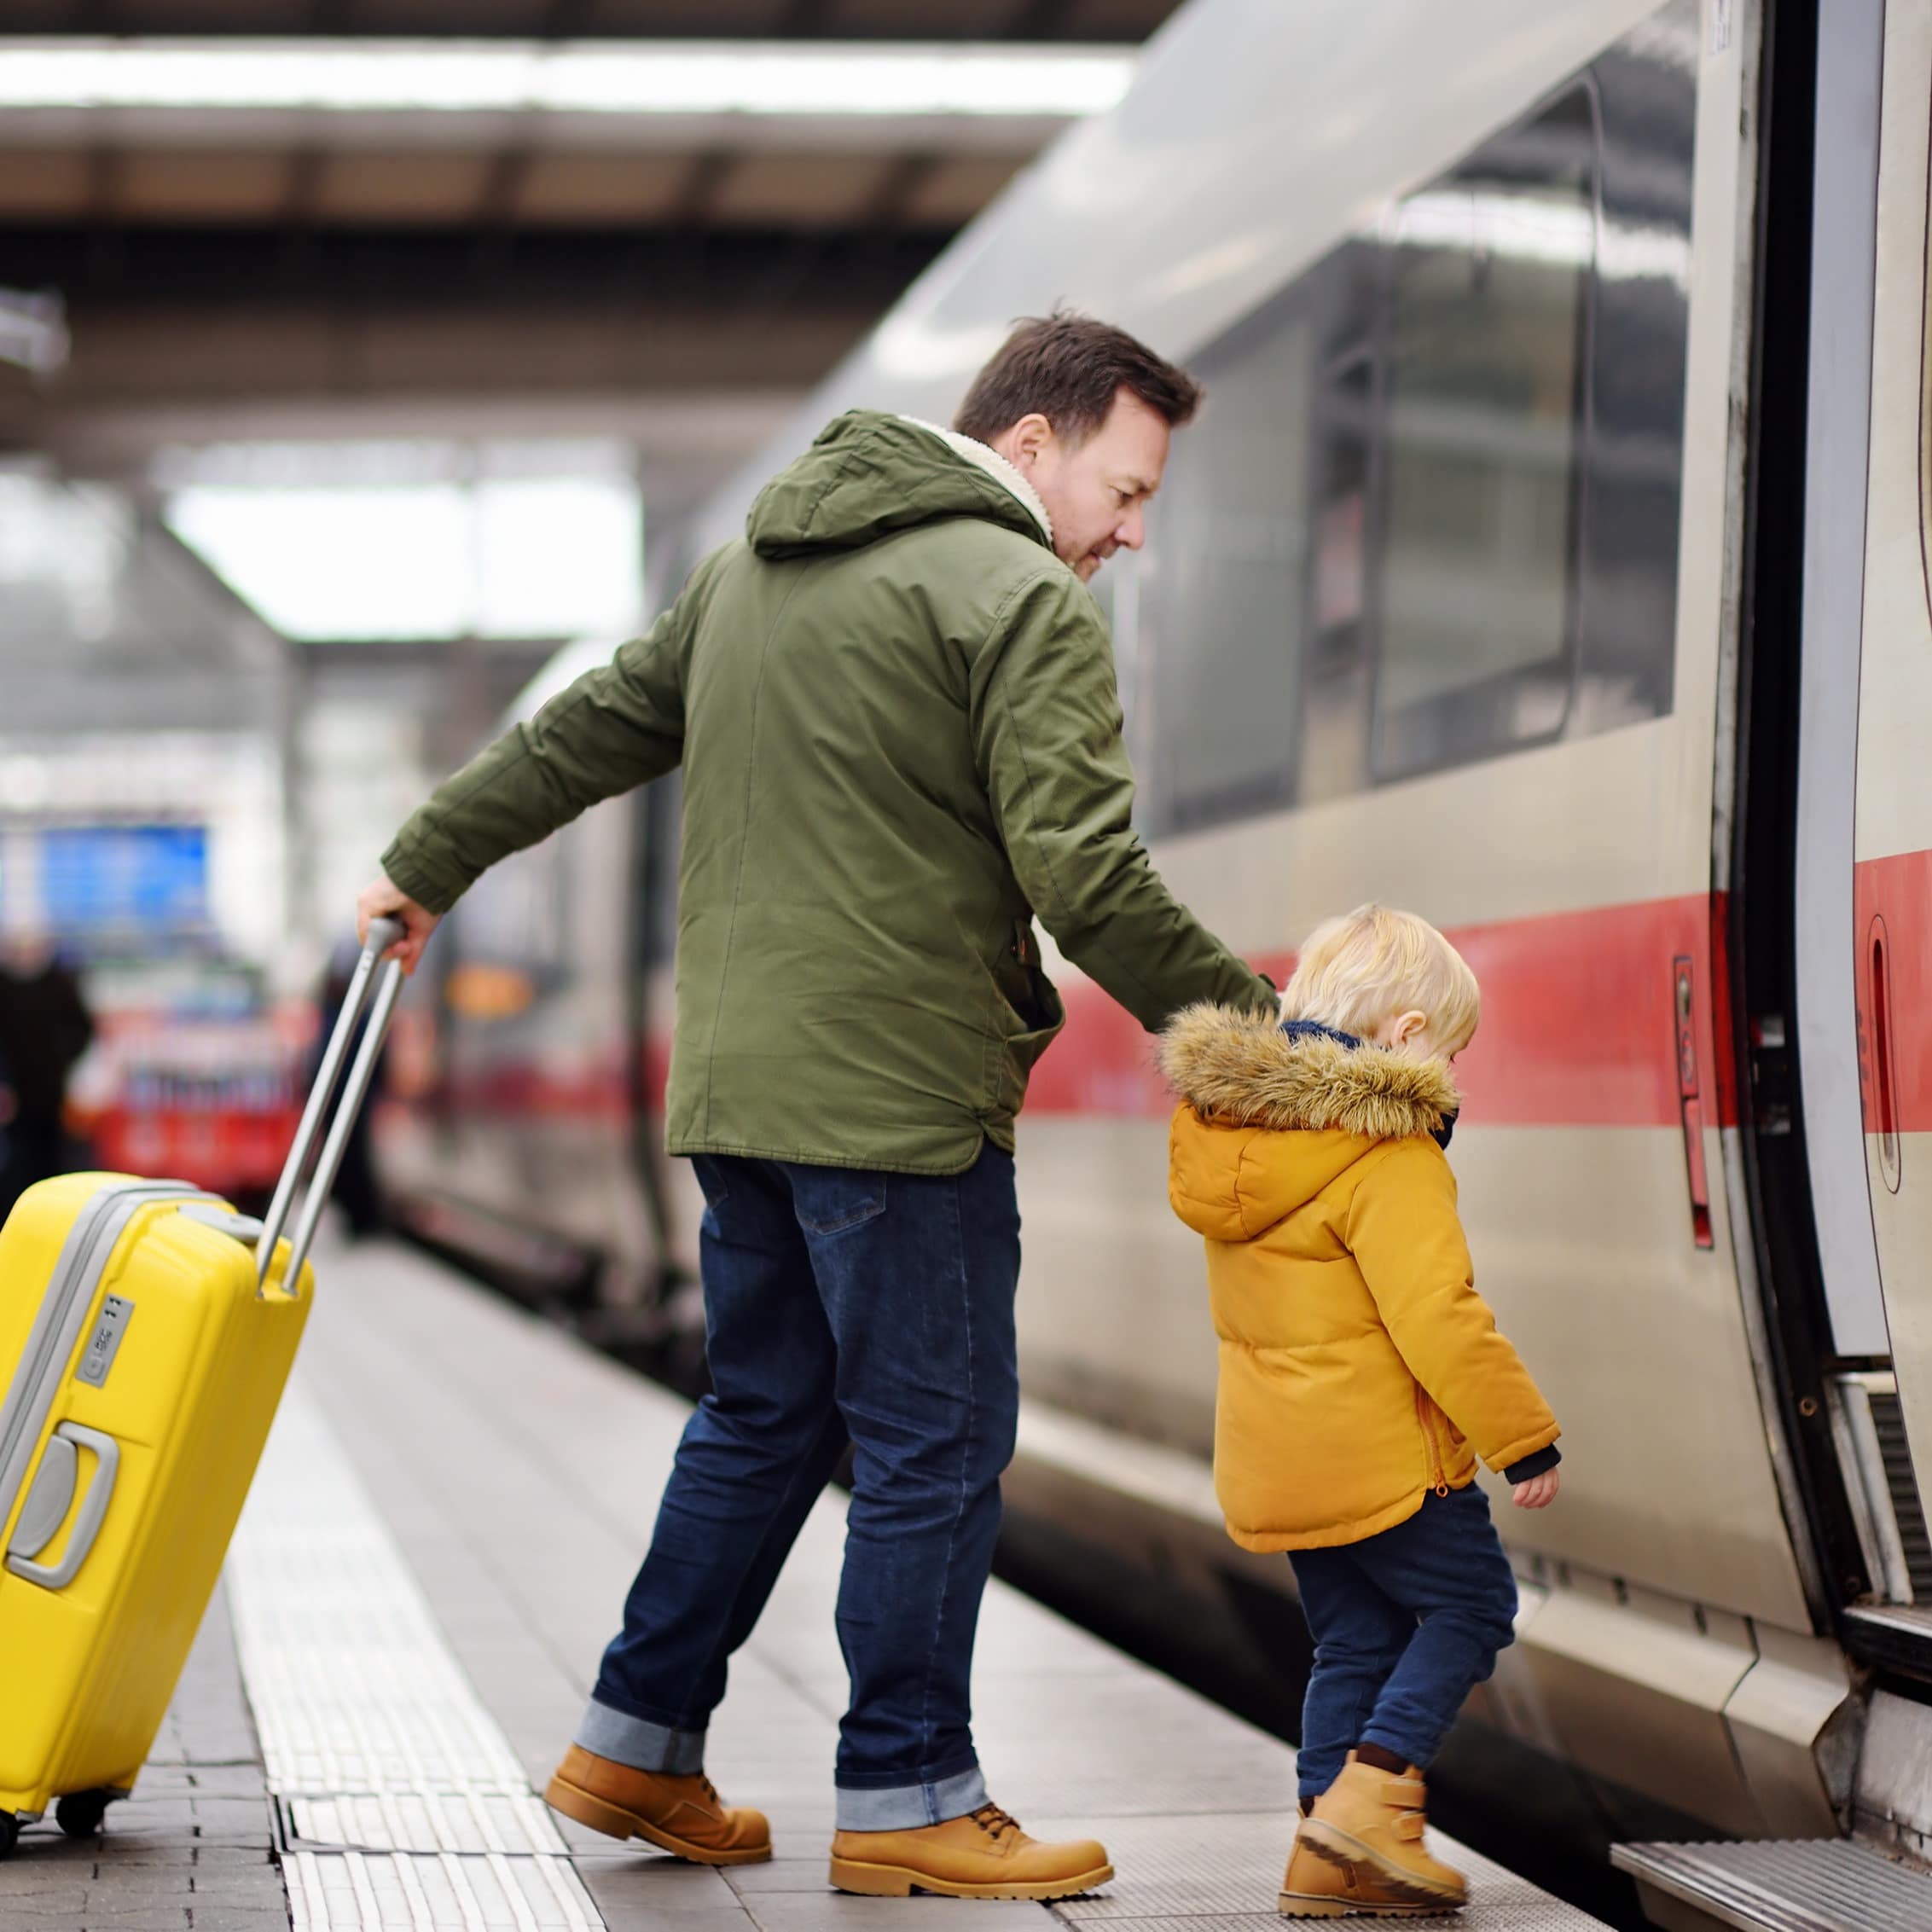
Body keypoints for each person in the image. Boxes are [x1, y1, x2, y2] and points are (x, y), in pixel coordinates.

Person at [355, 313, 1279, 1900]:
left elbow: (586, 730)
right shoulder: (1017, 602)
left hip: (735, 1094)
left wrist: (424, 863)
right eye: (1126, 490)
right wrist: (1270, 1043)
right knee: (934, 1442)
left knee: (763, 1413)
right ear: (1034, 444)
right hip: (899, 1102)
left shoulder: (747, 575)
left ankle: (636, 1746)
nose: (1132, 532)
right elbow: (1086, 876)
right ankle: (910, 1791)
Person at [1160, 904, 1561, 1917]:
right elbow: (1440, 1317)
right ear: (1408, 1037)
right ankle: (1375, 1805)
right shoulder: (1388, 1154)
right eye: (1456, 1053)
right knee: (1474, 1609)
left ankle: (1324, 1859)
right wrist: (1523, 1439)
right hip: (1389, 1463)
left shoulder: (1237, 1142)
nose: (1456, 1079)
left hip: (1282, 1463)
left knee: (1352, 1644)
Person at [0, 930, 96, 1219]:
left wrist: (62, 1061)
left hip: (49, 1093)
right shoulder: (4, 987)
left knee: (50, 1160)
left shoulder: (59, 984)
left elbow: (82, 1030)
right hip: (11, 1097)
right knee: (14, 1165)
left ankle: (47, 1218)